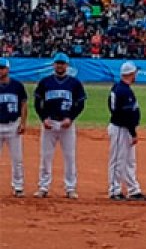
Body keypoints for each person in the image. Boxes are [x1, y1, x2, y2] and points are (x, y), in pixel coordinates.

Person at [34, 53, 86, 199]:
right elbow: (38, 103)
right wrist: (43, 118)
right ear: (54, 65)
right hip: (49, 123)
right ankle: (43, 187)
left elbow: (80, 104)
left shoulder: (74, 83)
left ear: (67, 65)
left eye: (62, 63)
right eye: (58, 63)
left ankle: (70, 188)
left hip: (67, 125)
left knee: (69, 157)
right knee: (45, 157)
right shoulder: (45, 82)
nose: (60, 66)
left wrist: (71, 118)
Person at [106, 61, 146, 201]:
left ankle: (133, 189)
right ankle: (114, 190)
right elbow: (124, 113)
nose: (136, 75)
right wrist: (133, 132)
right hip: (120, 129)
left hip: (125, 128)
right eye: (135, 72)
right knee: (118, 160)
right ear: (130, 74)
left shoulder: (119, 87)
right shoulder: (123, 90)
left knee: (130, 161)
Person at [0, 58, 28, 197]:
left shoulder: (17, 86)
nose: (0, 70)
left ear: (8, 69)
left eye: (2, 68)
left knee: (17, 159)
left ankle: (18, 186)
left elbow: (23, 104)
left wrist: (23, 122)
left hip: (13, 125)